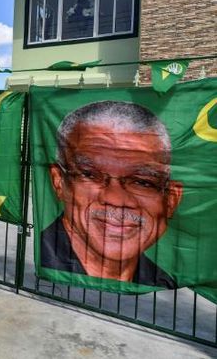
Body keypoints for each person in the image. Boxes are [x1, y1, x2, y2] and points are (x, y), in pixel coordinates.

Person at [42, 100, 183, 287]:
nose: (116, 199)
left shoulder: (162, 284)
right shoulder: (38, 256)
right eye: (90, 175)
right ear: (59, 182)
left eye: (142, 182)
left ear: (171, 201)